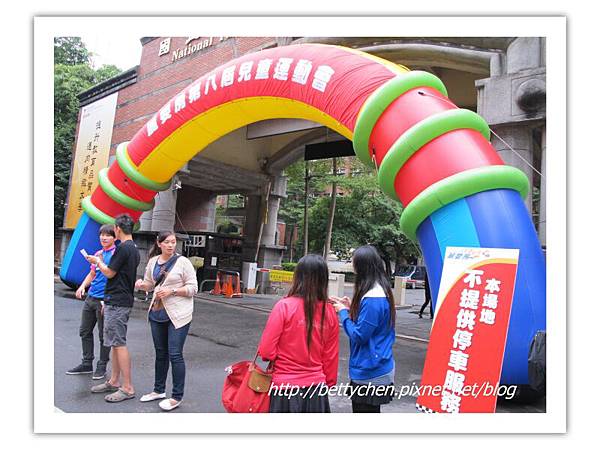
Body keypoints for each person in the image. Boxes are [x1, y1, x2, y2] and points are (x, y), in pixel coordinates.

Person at [257, 254, 339, 413]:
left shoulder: (284, 306)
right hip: (316, 389)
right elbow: (330, 357)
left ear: (298, 277)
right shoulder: (329, 312)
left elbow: (266, 351)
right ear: (324, 280)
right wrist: (328, 383)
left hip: (284, 388)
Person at [134, 231, 198, 412]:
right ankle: (158, 390)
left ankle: (177, 396)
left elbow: (194, 287)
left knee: (175, 354)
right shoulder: (153, 261)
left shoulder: (183, 262)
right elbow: (149, 284)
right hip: (157, 311)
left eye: (173, 242)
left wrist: (173, 291)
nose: (170, 245)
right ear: (159, 243)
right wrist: (140, 285)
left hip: (179, 313)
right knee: (160, 353)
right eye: (167, 242)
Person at [330, 245, 396, 413]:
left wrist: (343, 313)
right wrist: (351, 308)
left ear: (362, 266)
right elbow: (371, 324)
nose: (353, 266)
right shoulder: (379, 290)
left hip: (370, 371)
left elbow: (359, 335)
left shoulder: (373, 298)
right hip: (376, 366)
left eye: (354, 263)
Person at [86, 213, 140, 403]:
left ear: (117, 229)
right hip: (116, 300)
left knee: (119, 343)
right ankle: (114, 381)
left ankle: (127, 387)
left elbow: (109, 273)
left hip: (118, 301)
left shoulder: (123, 248)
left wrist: (97, 262)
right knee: (115, 343)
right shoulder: (134, 248)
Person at [66, 224, 116, 379]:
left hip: (105, 299)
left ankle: (102, 366)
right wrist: (82, 286)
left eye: (108, 235)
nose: (104, 238)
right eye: (102, 235)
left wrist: (108, 299)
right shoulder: (98, 254)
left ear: (115, 238)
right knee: (84, 330)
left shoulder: (116, 254)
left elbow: (113, 275)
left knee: (103, 335)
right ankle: (87, 363)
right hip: (91, 297)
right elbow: (92, 274)